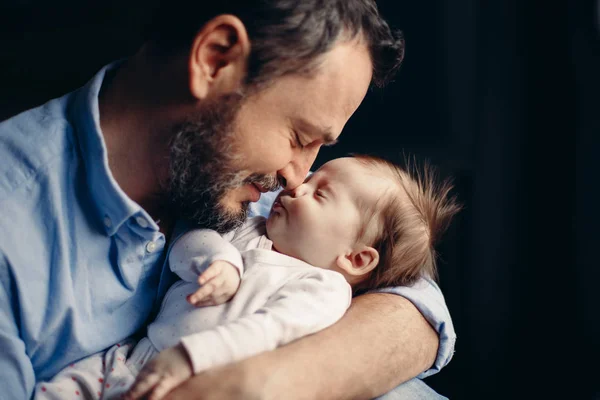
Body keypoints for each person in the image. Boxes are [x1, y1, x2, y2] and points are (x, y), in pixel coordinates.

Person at [0, 1, 456, 399]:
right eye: (298, 136)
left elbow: (414, 301)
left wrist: (270, 382)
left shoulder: (253, 189)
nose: (298, 177)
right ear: (215, 60)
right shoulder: (14, 230)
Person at [32, 155, 460, 400]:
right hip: (131, 356)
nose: (296, 187)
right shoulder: (249, 228)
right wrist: (220, 261)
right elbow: (189, 243)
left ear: (355, 257)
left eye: (320, 193)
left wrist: (192, 357)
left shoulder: (323, 291)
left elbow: (265, 330)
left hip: (196, 376)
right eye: (310, 178)